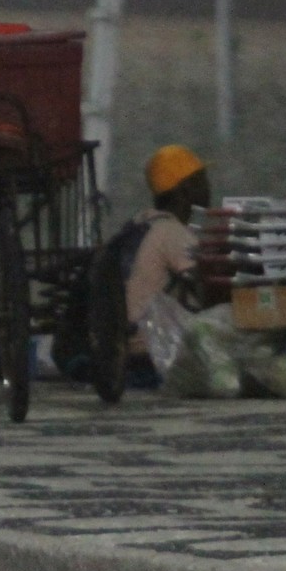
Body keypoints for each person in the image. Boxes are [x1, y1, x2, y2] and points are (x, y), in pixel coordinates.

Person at [123, 144, 210, 389]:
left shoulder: (138, 224)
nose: (207, 188)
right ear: (184, 189)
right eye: (201, 180)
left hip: (122, 346)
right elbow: (205, 288)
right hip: (150, 350)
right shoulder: (173, 233)